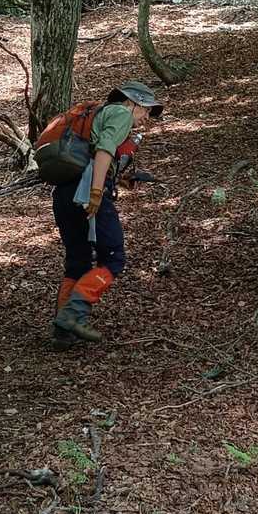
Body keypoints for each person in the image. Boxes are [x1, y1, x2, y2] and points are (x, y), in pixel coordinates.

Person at [51, 79, 161, 345]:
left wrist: (118, 180)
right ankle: (73, 315)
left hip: (64, 192)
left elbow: (93, 155)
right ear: (132, 102)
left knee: (77, 260)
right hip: (86, 192)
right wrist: (97, 192)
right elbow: (104, 149)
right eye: (146, 110)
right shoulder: (121, 113)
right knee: (114, 258)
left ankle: (62, 332)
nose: (146, 117)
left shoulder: (97, 115)